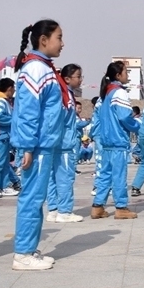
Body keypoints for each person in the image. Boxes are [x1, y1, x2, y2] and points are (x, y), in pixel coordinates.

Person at [10, 20, 67, 270]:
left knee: (36, 197)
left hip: (43, 143)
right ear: (43, 40)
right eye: (59, 37)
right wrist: (27, 146)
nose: (62, 43)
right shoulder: (36, 69)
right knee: (32, 198)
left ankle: (29, 248)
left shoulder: (43, 68)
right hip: (37, 145)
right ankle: (23, 253)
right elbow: (28, 112)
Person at [91, 61, 141, 220]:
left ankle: (97, 206)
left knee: (104, 175)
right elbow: (125, 117)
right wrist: (137, 126)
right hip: (118, 140)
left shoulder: (106, 94)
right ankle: (121, 207)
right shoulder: (119, 93)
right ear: (118, 75)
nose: (128, 75)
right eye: (126, 72)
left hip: (106, 141)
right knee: (119, 175)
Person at [45, 63, 85, 223]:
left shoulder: (62, 94)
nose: (81, 80)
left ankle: (53, 210)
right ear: (67, 79)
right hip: (64, 144)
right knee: (65, 178)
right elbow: (58, 120)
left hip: (57, 143)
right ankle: (64, 211)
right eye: (78, 76)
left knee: (53, 178)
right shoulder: (65, 96)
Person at [0, 78, 18, 198]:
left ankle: (4, 186)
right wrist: (14, 121)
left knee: (5, 164)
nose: (14, 90)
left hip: (5, 137)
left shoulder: (5, 101)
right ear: (10, 88)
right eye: (14, 88)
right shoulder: (0, 101)